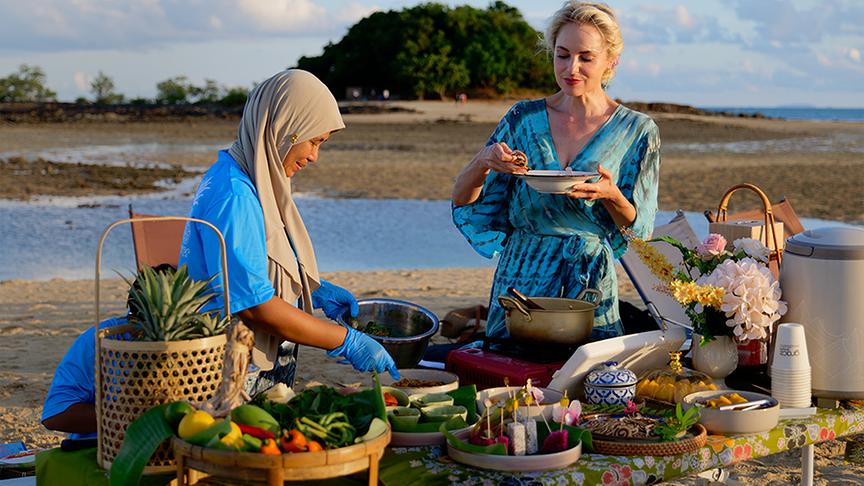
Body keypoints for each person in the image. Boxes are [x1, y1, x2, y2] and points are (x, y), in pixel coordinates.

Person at [179, 69, 399, 394]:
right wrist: (344, 340)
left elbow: (253, 266)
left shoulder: (246, 178)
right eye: (314, 141)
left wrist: (311, 290)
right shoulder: (235, 195)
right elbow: (255, 306)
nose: (314, 156)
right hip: (225, 374)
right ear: (285, 130)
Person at [451, 2, 660, 341]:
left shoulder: (637, 131)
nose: (571, 68)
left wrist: (611, 195)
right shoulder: (523, 119)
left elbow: (640, 231)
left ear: (611, 61)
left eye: (585, 57)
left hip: (589, 280)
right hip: (521, 278)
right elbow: (463, 199)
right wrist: (483, 162)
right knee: (513, 384)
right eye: (562, 55)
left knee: (587, 385)